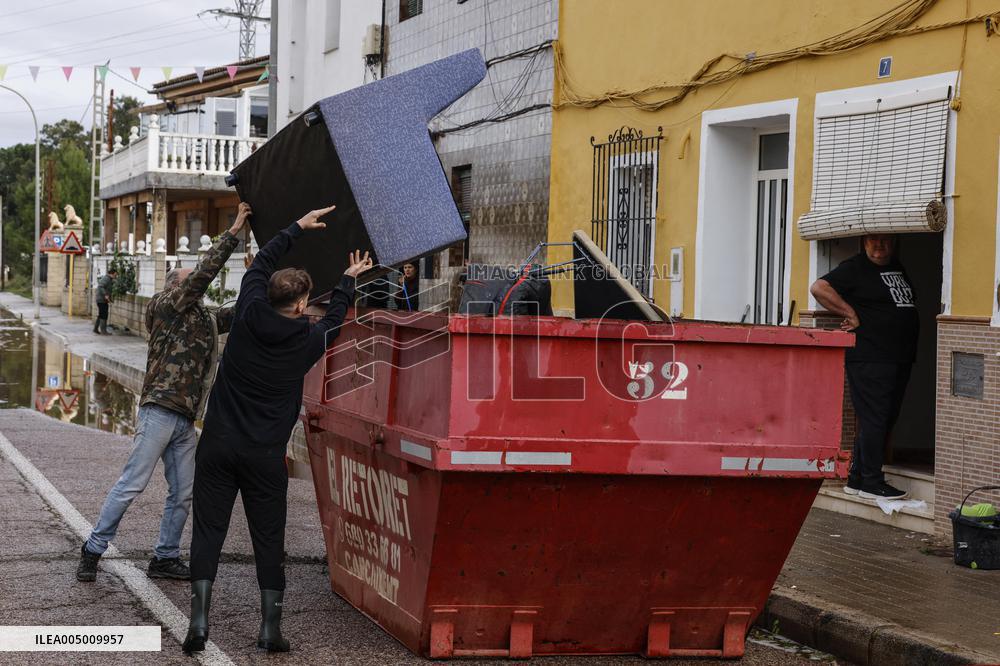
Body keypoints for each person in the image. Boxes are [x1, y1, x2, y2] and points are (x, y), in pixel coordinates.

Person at [183, 205, 372, 655]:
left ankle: (199, 620)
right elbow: (334, 323)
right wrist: (347, 280)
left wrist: (295, 227)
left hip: (218, 446)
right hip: (265, 457)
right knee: (268, 539)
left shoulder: (248, 310)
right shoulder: (307, 341)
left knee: (208, 530)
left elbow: (263, 260)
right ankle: (269, 630)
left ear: (265, 294)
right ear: (302, 303)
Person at [77, 203, 251, 583]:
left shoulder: (202, 318)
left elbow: (236, 312)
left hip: (185, 419)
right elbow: (202, 277)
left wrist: (255, 279)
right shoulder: (164, 305)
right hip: (159, 411)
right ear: (177, 286)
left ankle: (165, 557)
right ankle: (93, 548)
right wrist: (234, 230)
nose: (197, 288)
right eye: (190, 282)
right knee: (132, 484)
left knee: (183, 493)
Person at [809, 233, 918, 500]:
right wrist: (850, 313)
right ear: (864, 242)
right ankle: (872, 481)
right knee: (875, 418)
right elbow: (819, 287)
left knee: (882, 419)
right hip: (871, 357)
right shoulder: (855, 267)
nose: (879, 245)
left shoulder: (896, 266)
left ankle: (857, 478)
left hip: (897, 356)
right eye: (872, 240)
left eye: (885, 240)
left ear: (894, 241)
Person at [94, 267, 117, 335]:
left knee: (101, 314)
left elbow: (108, 289)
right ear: (111, 274)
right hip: (101, 300)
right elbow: (101, 286)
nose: (115, 276)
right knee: (104, 315)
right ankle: (103, 331)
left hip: (102, 299)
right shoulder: (106, 279)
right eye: (115, 275)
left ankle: (95, 329)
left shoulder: (109, 279)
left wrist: (110, 298)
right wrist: (105, 295)